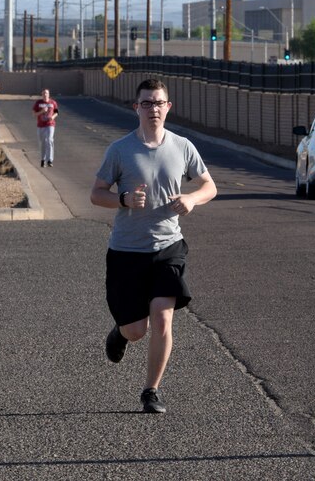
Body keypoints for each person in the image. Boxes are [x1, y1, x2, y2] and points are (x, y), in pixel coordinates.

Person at [90, 78, 217, 414]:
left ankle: (151, 391)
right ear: (137, 107)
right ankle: (120, 332)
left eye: (159, 103)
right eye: (146, 103)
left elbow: (209, 186)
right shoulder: (120, 150)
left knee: (163, 318)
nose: (153, 109)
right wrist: (123, 199)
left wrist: (192, 198)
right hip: (127, 251)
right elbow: (96, 193)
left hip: (168, 246)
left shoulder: (183, 146)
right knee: (136, 330)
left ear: (168, 107)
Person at [32, 88, 59, 167]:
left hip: (50, 124)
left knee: (49, 140)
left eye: (46, 93)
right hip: (40, 126)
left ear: (49, 94)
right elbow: (33, 114)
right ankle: (43, 160)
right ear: (42, 95)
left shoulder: (53, 102)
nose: (45, 95)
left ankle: (50, 160)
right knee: (43, 142)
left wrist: (53, 117)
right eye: (44, 93)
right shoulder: (38, 103)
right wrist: (42, 111)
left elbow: (56, 112)